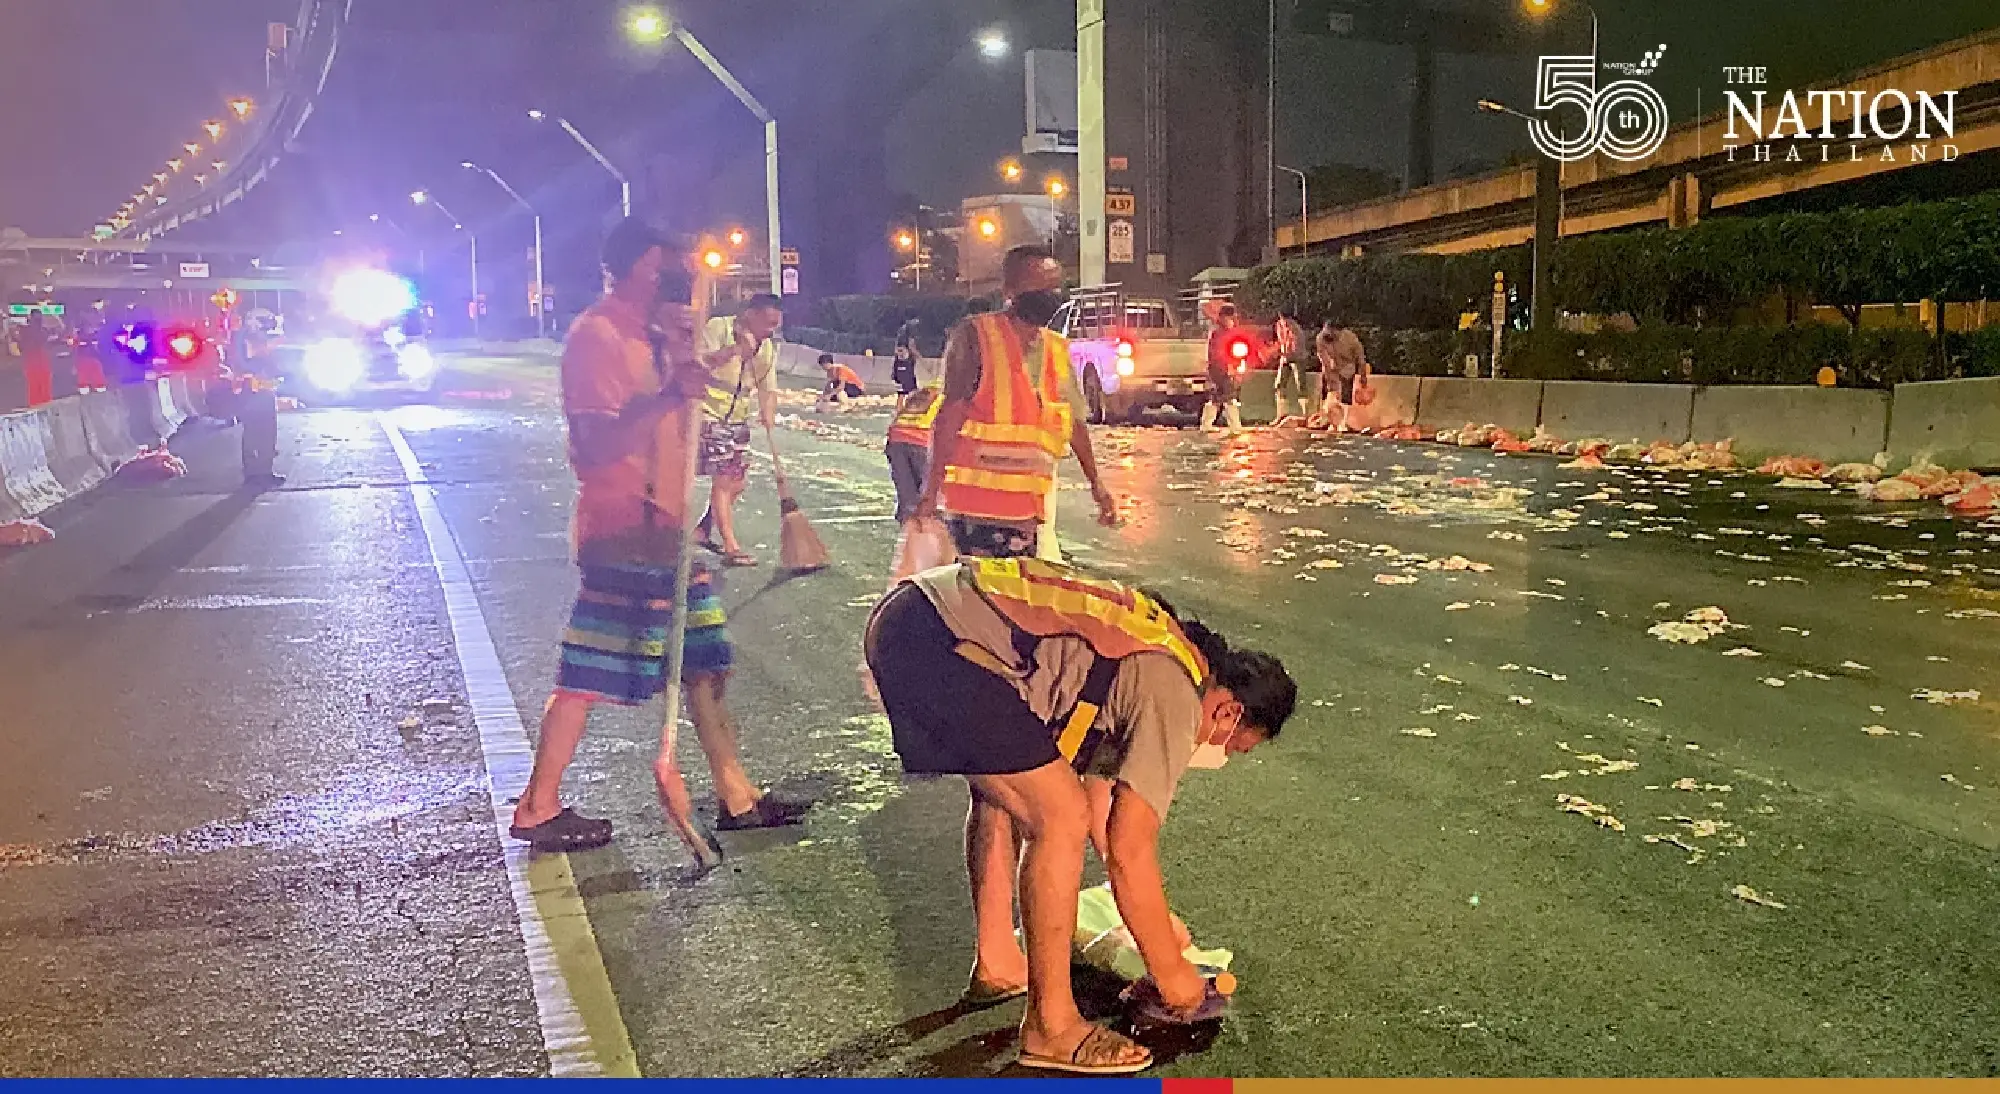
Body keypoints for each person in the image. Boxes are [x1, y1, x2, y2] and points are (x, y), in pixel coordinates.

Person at [864, 556, 1298, 1074]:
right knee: (1056, 817)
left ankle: (999, 961)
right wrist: (1174, 975)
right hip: (942, 639)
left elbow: (1104, 814)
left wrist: (1155, 929)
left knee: (1010, 796)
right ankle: (1052, 1028)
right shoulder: (1177, 691)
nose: (1218, 753)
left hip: (914, 616)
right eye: (1236, 747)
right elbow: (1131, 849)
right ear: (1229, 714)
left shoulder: (1156, 652)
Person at [509, 219, 807, 853]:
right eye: (663, 268)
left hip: (669, 532)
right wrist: (668, 393)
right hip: (624, 528)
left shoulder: (655, 337)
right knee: (588, 670)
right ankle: (538, 805)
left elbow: (684, 412)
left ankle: (737, 796)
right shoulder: (598, 337)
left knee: (703, 661)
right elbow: (595, 442)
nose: (675, 279)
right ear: (628, 268)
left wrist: (690, 365)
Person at [915, 244, 1118, 560]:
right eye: (1041, 287)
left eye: (1056, 287)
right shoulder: (975, 336)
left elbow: (1074, 422)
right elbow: (949, 416)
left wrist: (1097, 485)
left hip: (1027, 512)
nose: (1051, 296)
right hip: (974, 510)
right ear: (1010, 291)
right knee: (979, 601)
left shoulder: (1057, 349)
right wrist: (929, 491)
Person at [693, 294, 784, 568]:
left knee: (738, 482)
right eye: (767, 323)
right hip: (709, 413)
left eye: (774, 326)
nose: (769, 331)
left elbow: (768, 386)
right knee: (724, 479)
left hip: (738, 418)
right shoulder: (718, 328)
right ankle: (732, 547)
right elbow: (700, 362)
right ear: (749, 314)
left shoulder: (767, 348)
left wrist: (768, 412)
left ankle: (703, 529)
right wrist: (735, 350)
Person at [234, 314, 283, 487]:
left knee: (267, 433)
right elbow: (247, 364)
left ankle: (265, 471)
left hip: (265, 390)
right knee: (254, 433)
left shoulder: (260, 340)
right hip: (253, 392)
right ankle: (253, 473)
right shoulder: (246, 340)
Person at [885, 382, 940, 524]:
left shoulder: (918, 396)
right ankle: (924, 526)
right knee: (926, 490)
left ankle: (906, 528)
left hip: (896, 437)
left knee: (905, 491)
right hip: (921, 440)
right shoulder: (945, 397)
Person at [1314, 319, 1372, 432]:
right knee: (1326, 391)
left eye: (1332, 332)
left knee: (1345, 394)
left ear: (1339, 331)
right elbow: (1323, 358)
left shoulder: (1350, 339)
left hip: (1347, 366)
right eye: (1326, 332)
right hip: (1331, 365)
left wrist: (1363, 375)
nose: (1328, 335)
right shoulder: (1321, 338)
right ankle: (1328, 418)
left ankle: (1343, 421)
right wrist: (1328, 375)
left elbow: (1360, 358)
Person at [1200, 305, 1250, 432]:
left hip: (1219, 368)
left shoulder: (1222, 331)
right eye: (1231, 317)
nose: (1233, 320)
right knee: (1228, 396)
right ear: (1224, 317)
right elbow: (1220, 352)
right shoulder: (1219, 332)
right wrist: (1229, 366)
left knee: (1217, 397)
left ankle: (1207, 424)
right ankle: (1235, 425)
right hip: (1220, 368)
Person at [1270, 312, 1310, 423]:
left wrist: (1284, 354)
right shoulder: (1279, 325)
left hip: (1298, 358)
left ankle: (1305, 415)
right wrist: (1275, 351)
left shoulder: (1296, 329)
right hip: (1285, 357)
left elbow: (1297, 348)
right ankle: (1281, 414)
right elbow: (1281, 342)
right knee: (1279, 385)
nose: (1284, 323)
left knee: (1301, 385)